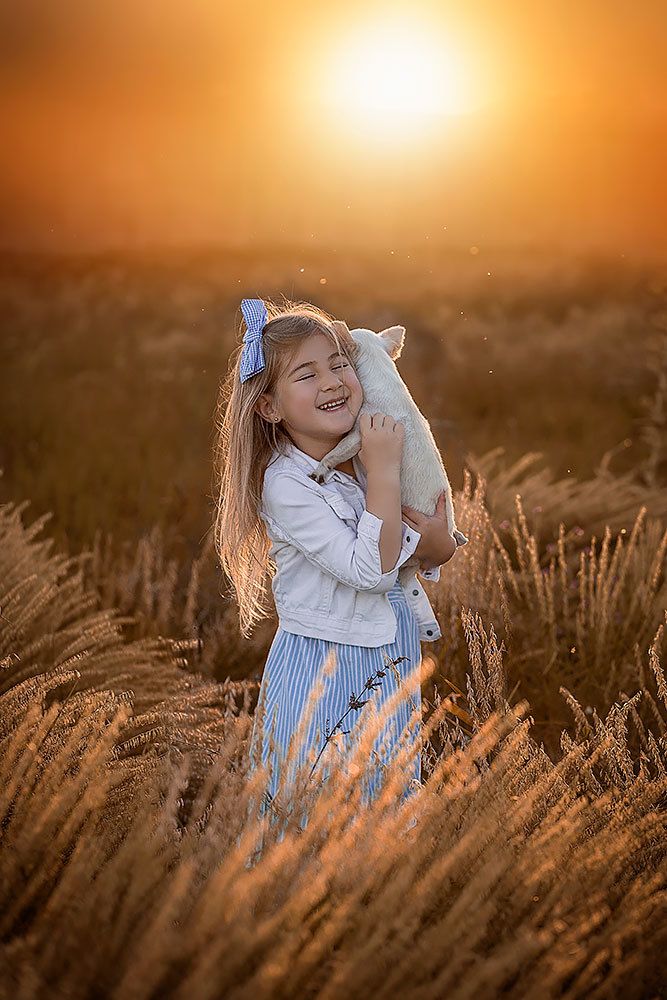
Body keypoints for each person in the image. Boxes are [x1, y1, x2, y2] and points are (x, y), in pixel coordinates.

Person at [213, 297, 457, 841]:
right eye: (307, 373)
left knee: (383, 799)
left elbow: (401, 546)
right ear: (270, 408)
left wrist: (436, 546)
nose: (332, 380)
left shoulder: (350, 459)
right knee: (314, 804)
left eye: (339, 363)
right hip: (324, 664)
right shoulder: (286, 483)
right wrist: (385, 470)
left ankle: (372, 903)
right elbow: (370, 568)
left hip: (387, 653)